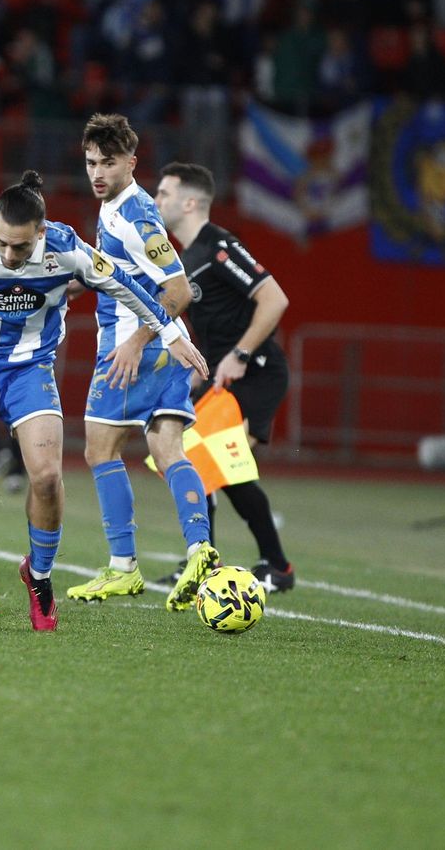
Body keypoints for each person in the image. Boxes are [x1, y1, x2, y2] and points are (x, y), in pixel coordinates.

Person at [0, 171, 208, 631]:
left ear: (41, 234)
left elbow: (128, 285)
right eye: (2, 243)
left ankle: (40, 576)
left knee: (46, 476)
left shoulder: (67, 249)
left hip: (30, 367)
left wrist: (169, 334)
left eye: (21, 248)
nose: (8, 255)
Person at [65, 115, 221, 612]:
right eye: (91, 162)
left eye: (108, 163)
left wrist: (136, 341)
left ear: (132, 163)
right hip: (165, 345)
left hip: (137, 349)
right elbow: (126, 272)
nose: (97, 172)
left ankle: (122, 567)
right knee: (167, 447)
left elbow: (177, 290)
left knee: (99, 448)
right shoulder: (116, 207)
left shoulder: (136, 215)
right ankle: (200, 549)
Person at [154, 162, 296, 591]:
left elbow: (275, 298)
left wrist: (239, 353)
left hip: (255, 374)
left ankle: (213, 567)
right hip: (224, 376)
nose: (156, 200)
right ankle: (265, 566)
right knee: (217, 467)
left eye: (164, 193)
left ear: (191, 201)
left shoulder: (219, 246)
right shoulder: (185, 259)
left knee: (204, 460)